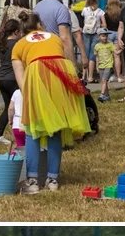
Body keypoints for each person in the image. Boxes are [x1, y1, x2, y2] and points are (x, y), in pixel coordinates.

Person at [10, 14, 91, 194]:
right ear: (40, 24)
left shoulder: (19, 45)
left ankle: (32, 180)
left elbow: (20, 78)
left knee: (33, 129)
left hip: (37, 74)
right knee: (56, 128)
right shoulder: (53, 37)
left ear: (23, 30)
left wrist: (30, 97)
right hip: (61, 73)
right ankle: (52, 179)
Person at [0, 17, 23, 147]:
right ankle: (22, 133)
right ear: (16, 31)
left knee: (8, 107)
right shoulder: (17, 45)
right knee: (19, 106)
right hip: (13, 78)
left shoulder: (1, 44)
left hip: (2, 78)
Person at [81, 0, 105, 84]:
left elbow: (82, 19)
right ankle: (90, 77)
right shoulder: (100, 12)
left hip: (86, 33)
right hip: (96, 33)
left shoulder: (84, 10)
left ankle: (84, 76)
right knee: (92, 56)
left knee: (85, 55)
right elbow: (104, 24)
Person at [104, 0, 125, 82]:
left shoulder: (106, 14)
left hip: (109, 34)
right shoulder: (121, 13)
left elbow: (104, 25)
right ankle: (119, 75)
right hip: (118, 33)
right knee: (118, 56)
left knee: (111, 56)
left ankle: (113, 74)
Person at [94, 28, 115, 102]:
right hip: (101, 66)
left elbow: (115, 53)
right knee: (103, 81)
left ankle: (102, 94)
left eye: (106, 36)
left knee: (104, 80)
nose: (105, 37)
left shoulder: (110, 44)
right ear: (99, 36)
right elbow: (97, 57)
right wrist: (97, 66)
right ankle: (107, 96)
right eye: (103, 36)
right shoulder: (97, 46)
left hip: (108, 65)